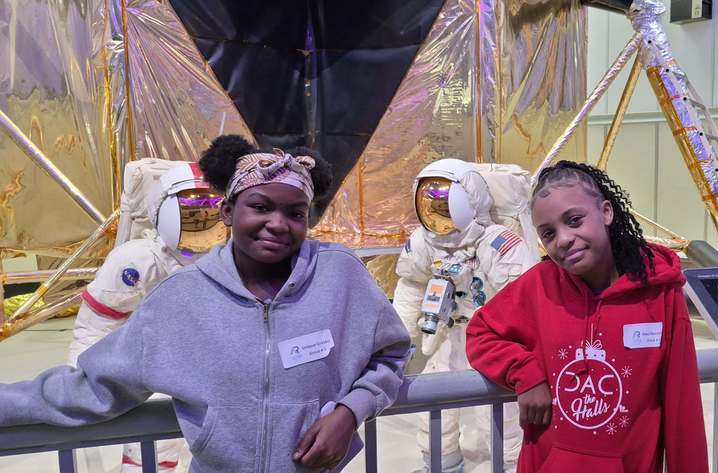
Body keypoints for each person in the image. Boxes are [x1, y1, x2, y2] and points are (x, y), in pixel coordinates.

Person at [0, 135, 411, 473]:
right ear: (228, 211)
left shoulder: (340, 277)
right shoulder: (181, 298)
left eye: (296, 213)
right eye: (261, 207)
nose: (278, 224)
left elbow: (391, 354)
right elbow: (93, 386)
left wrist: (350, 411)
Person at [466, 161, 709, 473]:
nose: (564, 239)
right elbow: (480, 332)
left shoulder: (660, 295)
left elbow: (682, 407)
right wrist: (526, 373)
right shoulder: (538, 286)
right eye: (548, 233)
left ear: (606, 213)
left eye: (575, 220)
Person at [67, 160, 225, 472]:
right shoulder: (137, 262)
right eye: (193, 215)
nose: (203, 224)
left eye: (211, 214)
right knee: (153, 440)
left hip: (211, 367)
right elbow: (94, 329)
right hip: (148, 366)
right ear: (163, 212)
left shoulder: (230, 260)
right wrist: (80, 379)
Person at [394, 158, 538, 472]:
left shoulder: (498, 242)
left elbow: (522, 297)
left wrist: (517, 344)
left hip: (492, 339)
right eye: (429, 204)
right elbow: (411, 287)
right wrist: (397, 340)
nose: (435, 214)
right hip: (449, 333)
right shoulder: (423, 243)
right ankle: (442, 462)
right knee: (434, 403)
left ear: (468, 200)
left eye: (445, 206)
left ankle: (510, 463)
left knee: (500, 410)